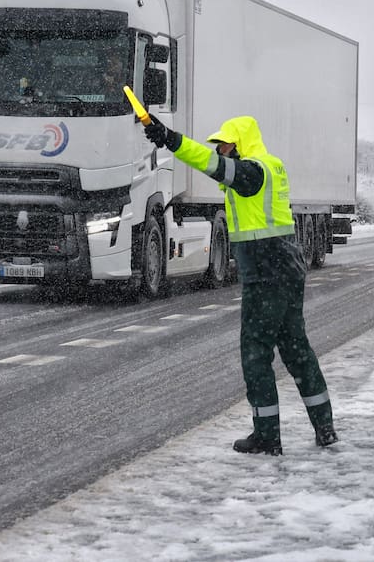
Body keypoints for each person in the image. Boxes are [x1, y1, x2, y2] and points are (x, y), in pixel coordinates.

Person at [141, 111, 338, 456]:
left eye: (225, 145)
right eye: (218, 146)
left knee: (255, 353)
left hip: (267, 271)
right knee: (296, 350)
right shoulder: (270, 166)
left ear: (241, 143)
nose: (220, 151)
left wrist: (170, 139)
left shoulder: (254, 172)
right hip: (285, 267)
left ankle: (267, 436)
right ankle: (325, 429)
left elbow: (209, 164)